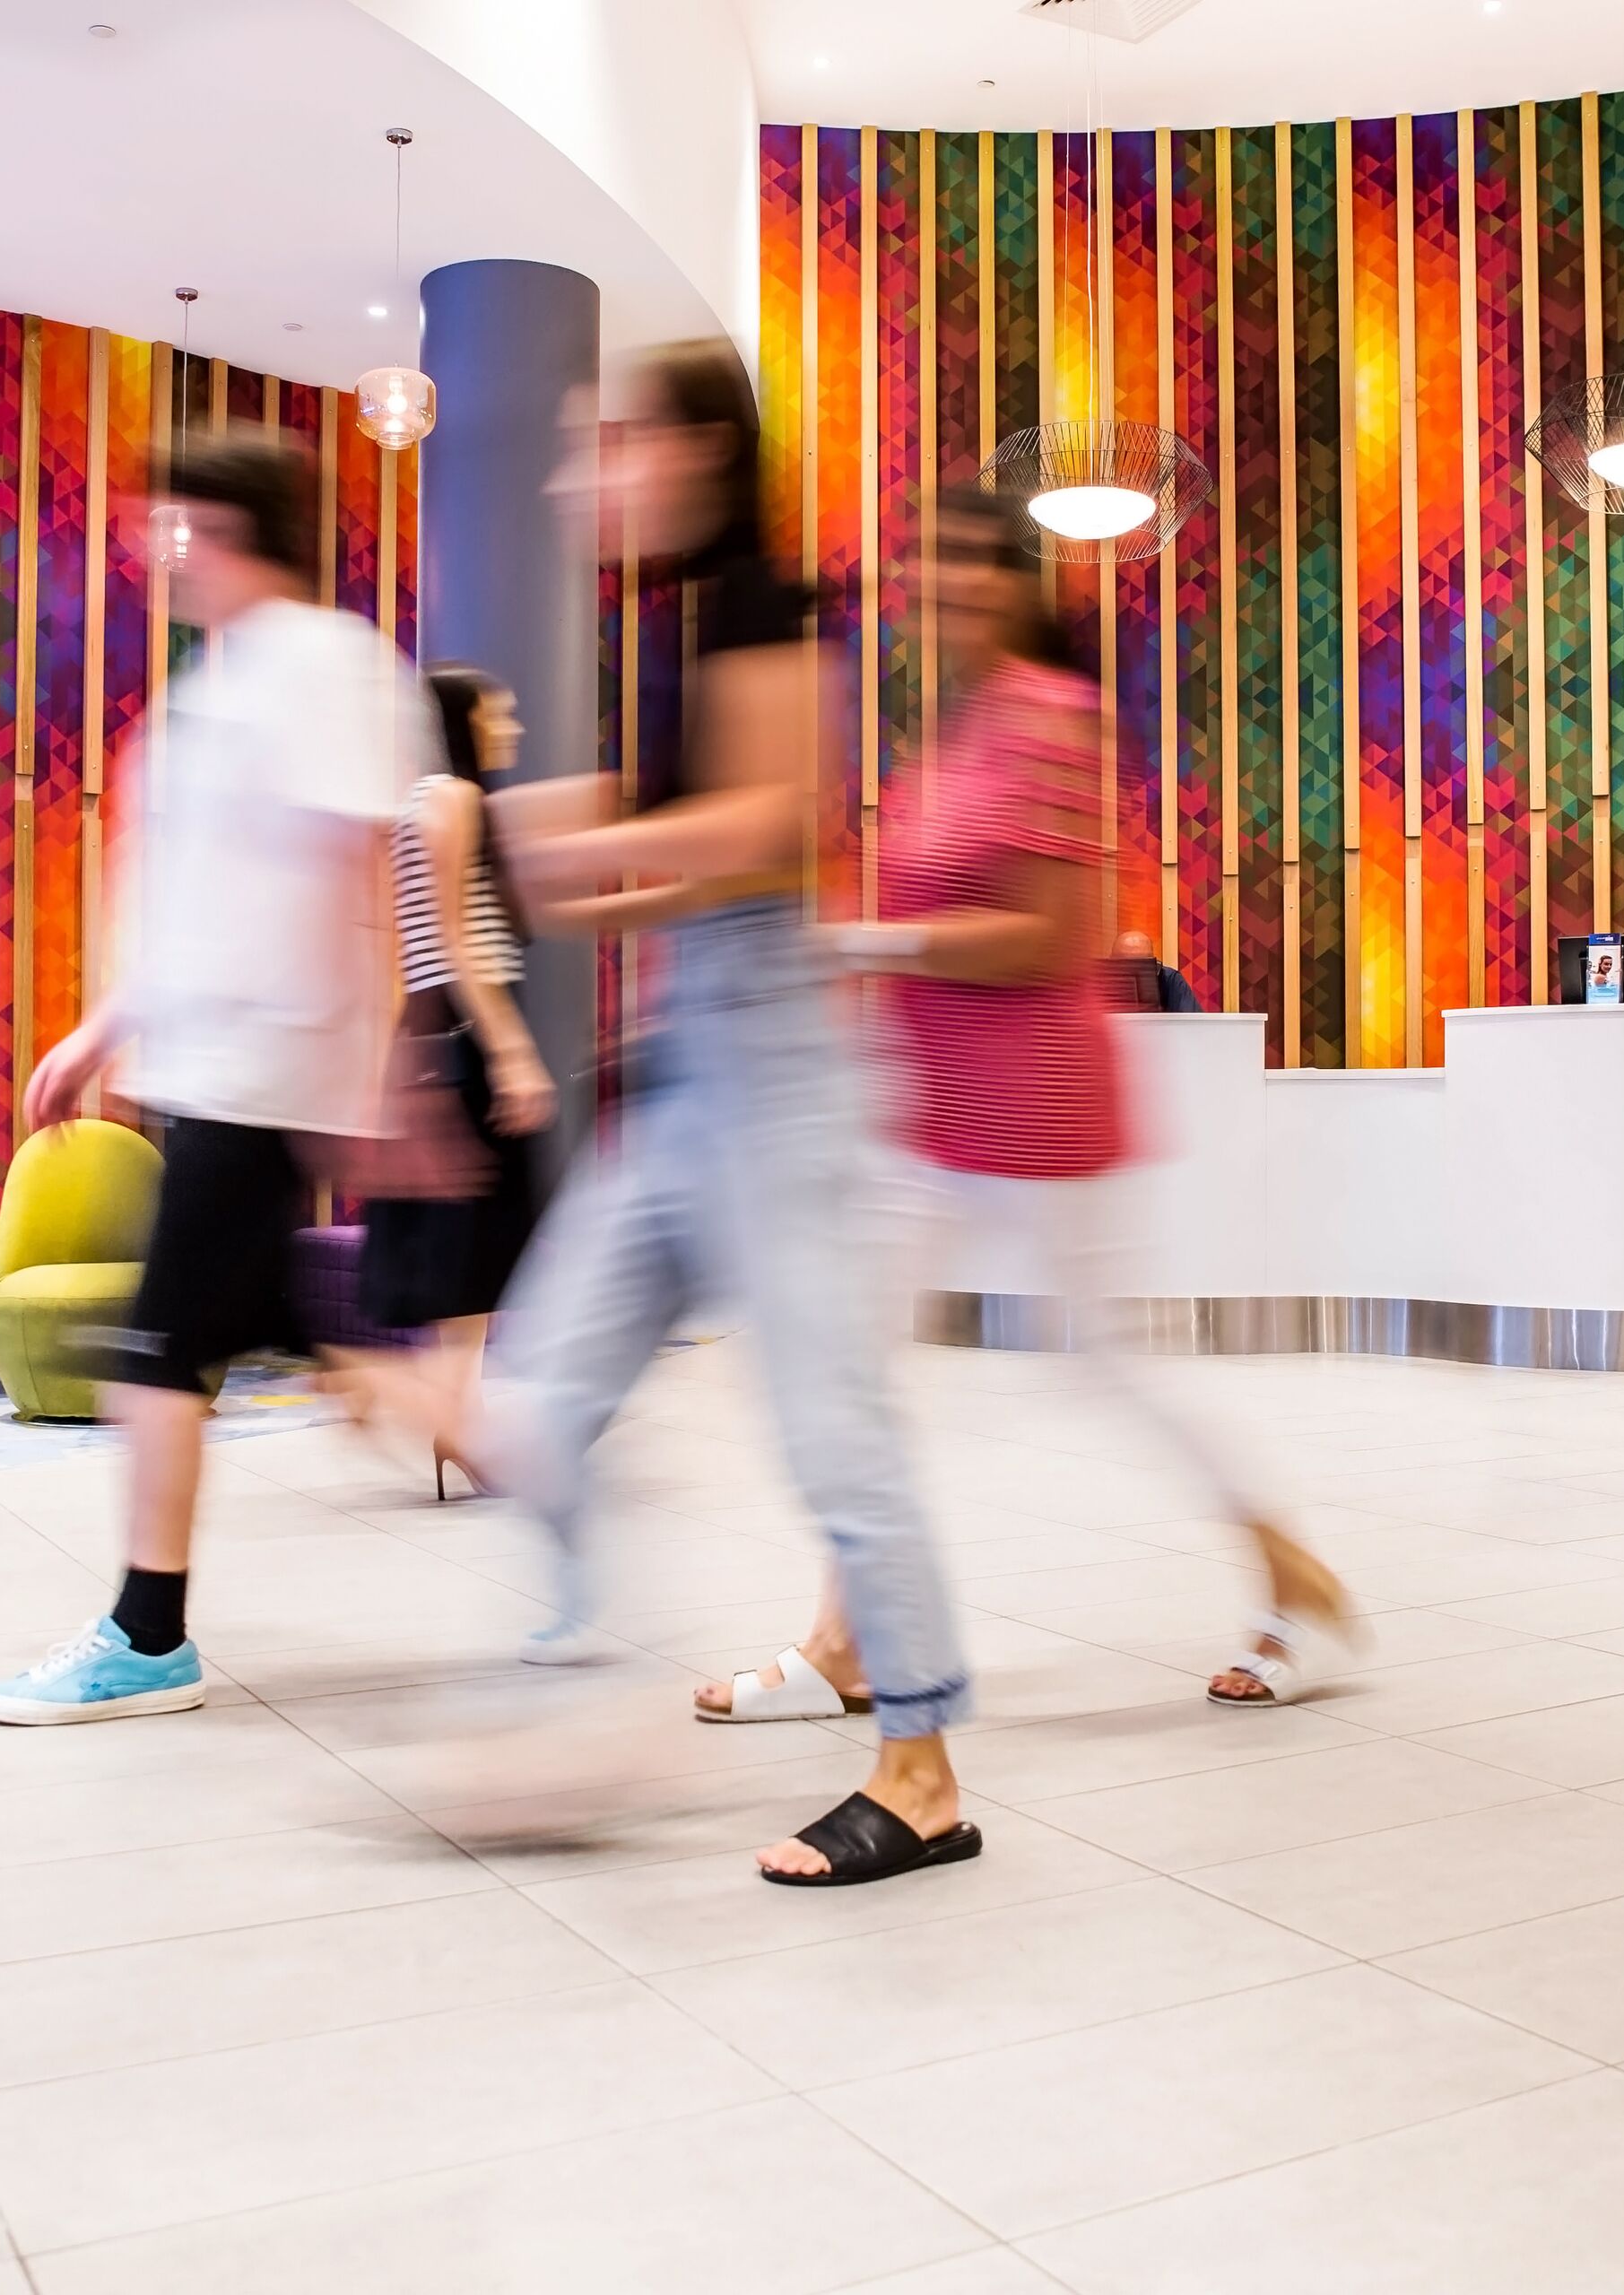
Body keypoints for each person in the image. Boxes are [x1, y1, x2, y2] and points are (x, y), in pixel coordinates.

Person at [699, 484, 1354, 1719]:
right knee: (854, 1363)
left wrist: (857, 945)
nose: (938, 584)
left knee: (1111, 1366)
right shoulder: (960, 731)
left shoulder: (1055, 718)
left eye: (967, 561)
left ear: (1014, 581)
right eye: (925, 563)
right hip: (929, 1106)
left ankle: (1290, 1570)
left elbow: (1054, 938)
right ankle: (844, 1640)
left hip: (1038, 1103)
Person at [477, 343, 980, 1888]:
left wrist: (564, 852)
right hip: (695, 1064)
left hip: (771, 1072)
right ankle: (575, 1711)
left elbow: (768, 831)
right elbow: (707, 843)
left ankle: (921, 1773)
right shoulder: (689, 624)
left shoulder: (769, 608)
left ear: (690, 451)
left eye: (605, 446)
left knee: (834, 1427)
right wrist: (582, 872)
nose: (577, 478)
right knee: (534, 1393)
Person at [0, 436, 423, 1724]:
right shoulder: (222, 682)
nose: (157, 550)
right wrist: (103, 1031)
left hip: (267, 1069)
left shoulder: (321, 662)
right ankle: (530, 1462)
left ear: (232, 529)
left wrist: (385, 1079)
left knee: (159, 1353)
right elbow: (195, 905)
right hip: (218, 1065)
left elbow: (363, 866)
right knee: (262, 1332)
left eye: (175, 525)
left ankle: (147, 1634)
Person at [329, 667, 554, 1494]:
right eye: (500, 714)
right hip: (471, 1028)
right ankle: (400, 1391)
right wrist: (512, 1051)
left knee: (472, 1249)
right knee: (485, 1237)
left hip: (436, 1032)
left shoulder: (413, 805)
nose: (511, 728)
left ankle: (457, 1415)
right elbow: (459, 943)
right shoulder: (454, 799)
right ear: (462, 721)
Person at [1107, 928, 1204, 1013]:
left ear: (1154, 961)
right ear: (1111, 961)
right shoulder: (1099, 982)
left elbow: (1193, 1023)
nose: (1133, 972)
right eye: (1125, 964)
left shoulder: (1169, 979)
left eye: (1143, 964)